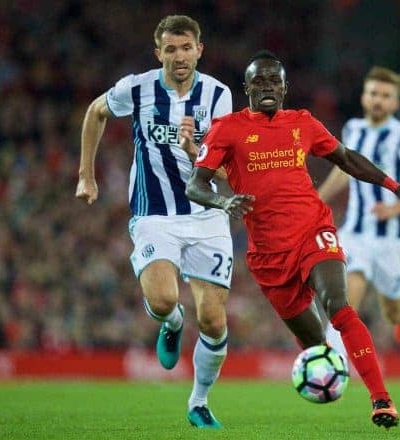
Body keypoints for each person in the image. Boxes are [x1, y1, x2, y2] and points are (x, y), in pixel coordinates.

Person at [186, 50, 400, 429]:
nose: (267, 87)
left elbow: (347, 159)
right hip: (268, 255)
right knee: (318, 346)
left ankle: (381, 399)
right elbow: (195, 185)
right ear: (246, 87)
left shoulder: (302, 122)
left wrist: (396, 188)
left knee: (339, 305)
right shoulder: (227, 128)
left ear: (285, 87)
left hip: (313, 230)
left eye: (274, 81)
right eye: (259, 81)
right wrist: (222, 200)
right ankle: (329, 371)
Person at [75, 15, 233, 428]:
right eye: (170, 49)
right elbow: (96, 111)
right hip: (155, 213)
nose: (179, 57)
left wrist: (195, 147)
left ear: (199, 49)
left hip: (207, 214)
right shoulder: (138, 87)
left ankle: (198, 402)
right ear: (158, 52)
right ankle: (172, 322)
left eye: (186, 48)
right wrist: (86, 175)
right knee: (164, 300)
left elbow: (229, 171)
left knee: (215, 320)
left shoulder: (219, 95)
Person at [319, 66, 400, 351]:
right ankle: (333, 362)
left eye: (385, 95)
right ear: (363, 97)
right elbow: (344, 170)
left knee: (392, 309)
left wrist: (394, 209)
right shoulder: (353, 129)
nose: (378, 100)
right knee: (346, 296)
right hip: (356, 233)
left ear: (395, 103)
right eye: (373, 93)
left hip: (391, 239)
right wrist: (318, 197)